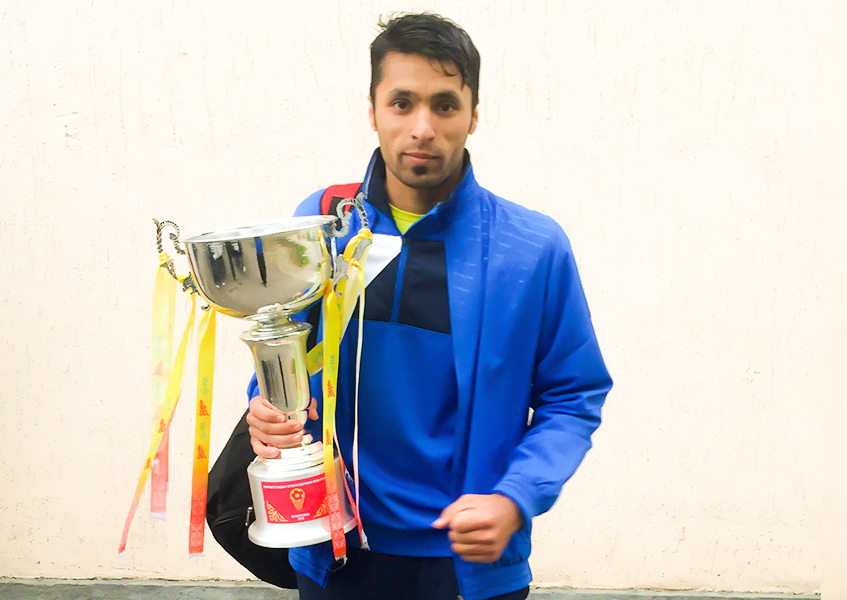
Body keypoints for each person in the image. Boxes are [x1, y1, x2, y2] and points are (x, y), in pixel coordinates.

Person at [246, 12, 612, 600]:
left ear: (473, 115)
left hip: (469, 565)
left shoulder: (532, 247)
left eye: (444, 105)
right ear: (372, 110)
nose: (422, 128)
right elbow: (286, 353)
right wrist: (266, 408)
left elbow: (573, 396)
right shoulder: (322, 223)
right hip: (335, 551)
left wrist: (515, 497)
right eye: (401, 103)